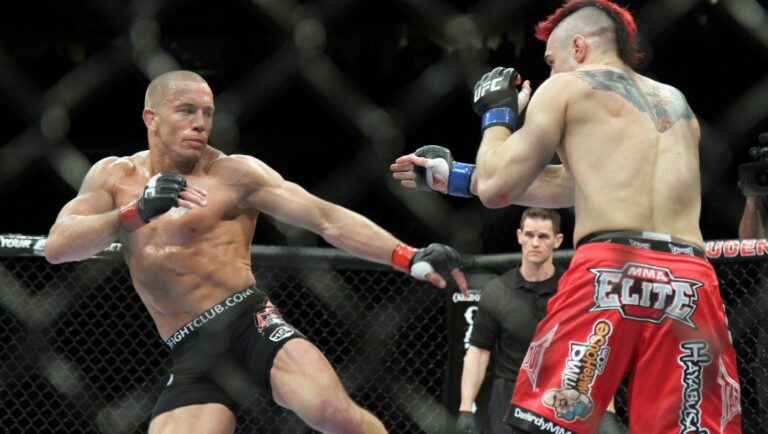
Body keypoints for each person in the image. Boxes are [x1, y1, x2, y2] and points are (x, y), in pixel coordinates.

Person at [43, 70, 468, 434]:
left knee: (336, 416)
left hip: (249, 322)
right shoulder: (114, 177)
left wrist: (407, 256)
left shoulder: (234, 174)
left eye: (207, 113)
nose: (200, 124)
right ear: (150, 118)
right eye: (186, 111)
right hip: (189, 346)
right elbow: (59, 246)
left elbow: (325, 218)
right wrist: (133, 213)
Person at [391, 1, 742, 433]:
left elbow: (502, 185)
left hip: (609, 272)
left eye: (551, 62)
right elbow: (581, 183)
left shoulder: (566, 88)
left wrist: (497, 117)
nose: (550, 75)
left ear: (579, 46)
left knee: (547, 423)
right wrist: (461, 177)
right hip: (690, 283)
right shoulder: (677, 105)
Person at [454, 208, 625, 434]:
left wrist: (607, 410)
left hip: (560, 394)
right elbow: (478, 352)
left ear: (557, 240)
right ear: (519, 236)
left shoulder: (572, 291)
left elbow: (592, 354)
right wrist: (465, 408)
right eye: (529, 235)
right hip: (509, 396)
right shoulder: (497, 291)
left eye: (543, 236)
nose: (535, 243)